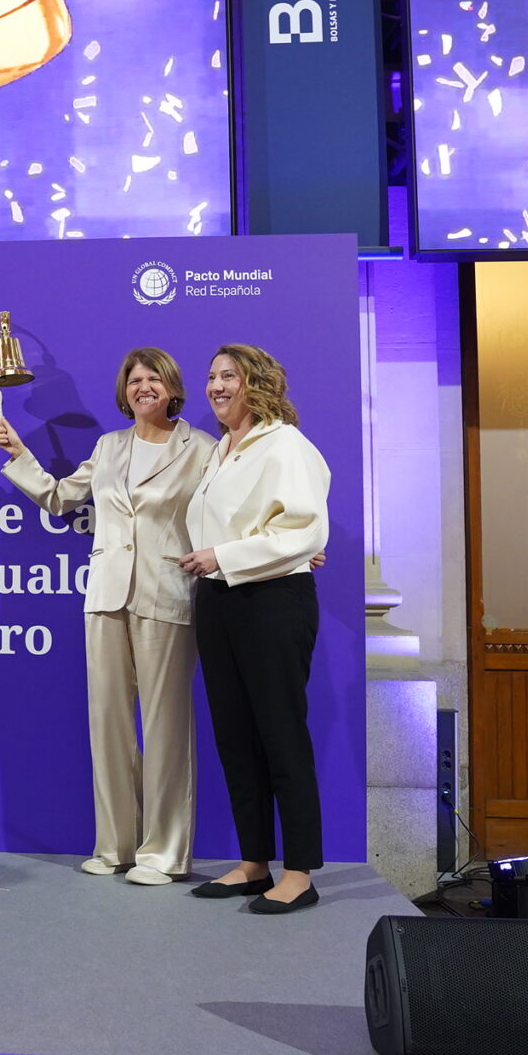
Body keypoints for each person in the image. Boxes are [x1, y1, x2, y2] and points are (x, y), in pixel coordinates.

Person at [0, 349, 208, 886]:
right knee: (108, 725)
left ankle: (164, 854)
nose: (143, 386)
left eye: (154, 378)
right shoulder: (109, 446)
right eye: (134, 379)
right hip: (107, 596)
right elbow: (60, 498)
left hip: (168, 594)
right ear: (124, 390)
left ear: (172, 388)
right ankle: (115, 846)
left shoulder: (203, 448)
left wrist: (276, 544)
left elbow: (227, 509)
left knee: (166, 729)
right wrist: (20, 455)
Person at [178, 344, 331, 916]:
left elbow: (305, 531)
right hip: (219, 600)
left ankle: (299, 872)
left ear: (257, 383)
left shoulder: (285, 444)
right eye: (211, 376)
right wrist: (217, 560)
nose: (216, 386)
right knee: (236, 738)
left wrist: (224, 555)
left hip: (272, 601)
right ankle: (254, 862)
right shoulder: (222, 450)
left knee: (280, 734)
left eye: (229, 376)